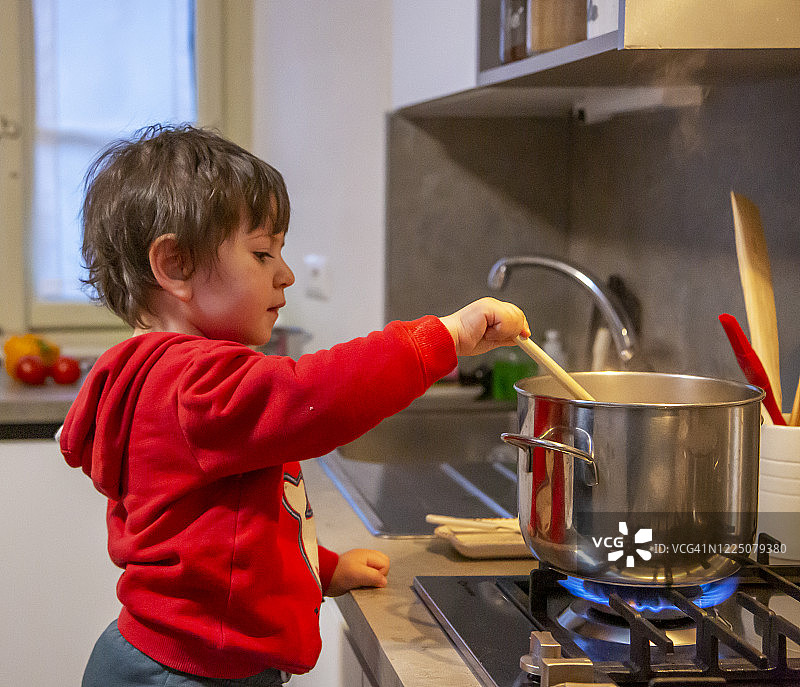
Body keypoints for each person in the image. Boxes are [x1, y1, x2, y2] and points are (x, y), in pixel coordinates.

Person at [60, 124, 530, 687]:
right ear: (176, 265)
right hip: (193, 676)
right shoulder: (192, 383)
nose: (284, 275)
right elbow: (315, 395)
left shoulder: (157, 378)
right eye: (262, 253)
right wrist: (445, 337)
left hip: (169, 658)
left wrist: (322, 570)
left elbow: (219, 531)